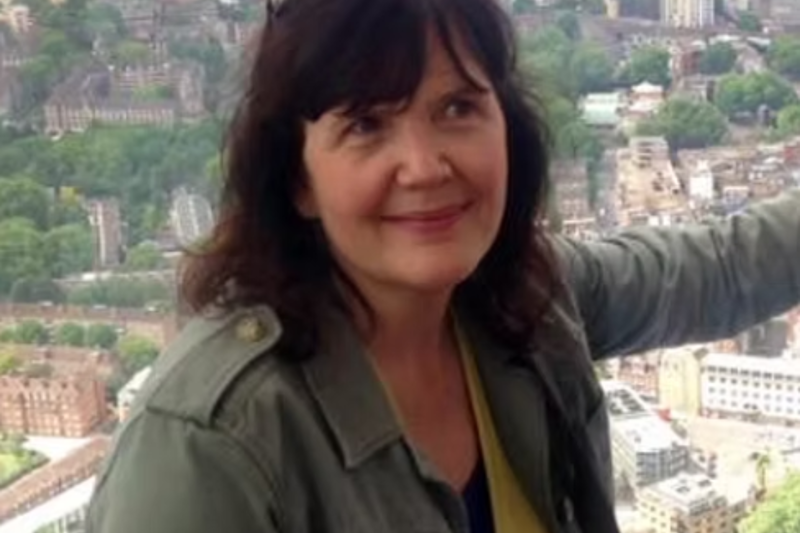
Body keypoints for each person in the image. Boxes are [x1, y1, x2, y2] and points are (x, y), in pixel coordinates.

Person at [85, 0, 800, 531]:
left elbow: (722, 269)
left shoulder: (524, 299)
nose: (425, 167)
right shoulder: (205, 447)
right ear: (297, 177)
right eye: (366, 124)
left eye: (457, 107)